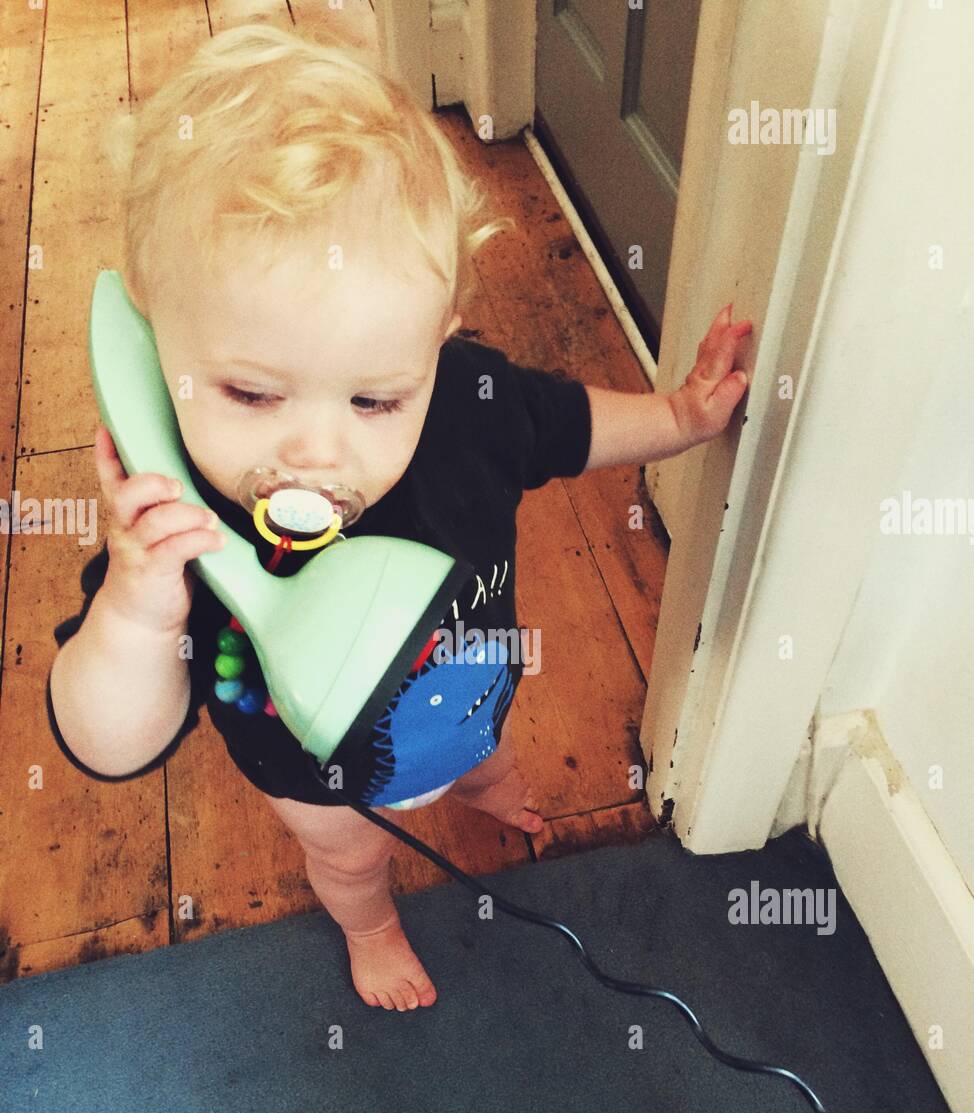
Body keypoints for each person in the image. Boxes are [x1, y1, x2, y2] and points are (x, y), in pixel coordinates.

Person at [48, 24, 752, 1013]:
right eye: (251, 394)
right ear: (156, 351)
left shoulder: (467, 403)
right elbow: (107, 743)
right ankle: (367, 921)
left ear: (437, 346)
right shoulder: (181, 526)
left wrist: (677, 418)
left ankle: (481, 786)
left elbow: (565, 423)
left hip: (466, 694)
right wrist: (136, 613)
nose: (316, 454)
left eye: (374, 400)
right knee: (348, 850)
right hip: (311, 769)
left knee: (482, 745)